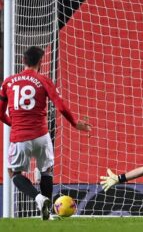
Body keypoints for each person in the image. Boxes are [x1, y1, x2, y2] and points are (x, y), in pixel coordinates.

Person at [0, 46, 91, 220]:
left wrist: (15, 123)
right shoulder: (43, 80)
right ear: (41, 62)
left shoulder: (8, 82)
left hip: (20, 137)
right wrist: (74, 123)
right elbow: (61, 105)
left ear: (23, 61)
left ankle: (39, 199)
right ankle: (47, 213)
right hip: (41, 135)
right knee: (46, 172)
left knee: (14, 173)